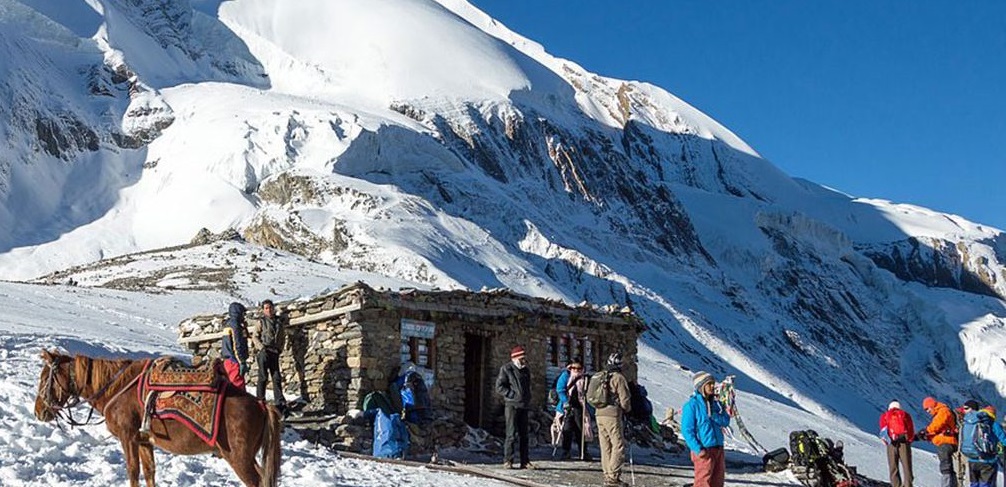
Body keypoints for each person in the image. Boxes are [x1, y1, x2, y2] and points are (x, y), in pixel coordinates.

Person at [681, 371, 731, 487]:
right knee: (703, 482)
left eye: (713, 383)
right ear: (701, 386)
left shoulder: (716, 404)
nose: (713, 386)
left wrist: (714, 415)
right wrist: (698, 449)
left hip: (718, 448)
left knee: (717, 482)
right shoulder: (691, 405)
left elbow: (725, 421)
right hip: (704, 450)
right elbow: (687, 430)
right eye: (709, 384)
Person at [595, 352, 632, 487]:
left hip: (599, 413)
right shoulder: (618, 378)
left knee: (605, 445)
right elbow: (625, 399)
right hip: (612, 414)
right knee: (618, 444)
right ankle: (613, 476)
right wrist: (627, 410)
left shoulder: (602, 376)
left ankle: (607, 473)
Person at [495, 345, 533, 469]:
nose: (524, 361)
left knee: (524, 434)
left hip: (524, 405)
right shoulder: (506, 369)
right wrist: (511, 394)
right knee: (511, 434)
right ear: (515, 358)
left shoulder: (525, 370)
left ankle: (525, 461)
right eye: (521, 358)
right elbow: (499, 386)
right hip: (512, 405)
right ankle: (508, 460)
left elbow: (527, 387)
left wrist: (527, 398)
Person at [958, 401, 1006, 487]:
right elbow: (1004, 440)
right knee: (986, 484)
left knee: (974, 484)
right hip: (988, 460)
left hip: (972, 458)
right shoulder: (993, 424)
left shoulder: (971, 422)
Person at [917, 396, 959, 487]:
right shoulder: (939, 412)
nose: (927, 411)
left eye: (927, 408)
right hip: (945, 441)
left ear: (931, 405)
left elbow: (937, 424)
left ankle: (947, 485)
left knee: (946, 466)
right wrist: (926, 436)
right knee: (948, 466)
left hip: (948, 442)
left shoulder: (943, 411)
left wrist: (926, 431)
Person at [252, 299, 286, 409]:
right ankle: (260, 401)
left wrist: (280, 349)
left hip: (274, 352)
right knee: (263, 377)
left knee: (276, 377)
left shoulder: (278, 322)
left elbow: (282, 337)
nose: (269, 310)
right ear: (263, 310)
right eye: (266, 308)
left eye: (270, 307)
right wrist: (261, 348)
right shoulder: (261, 322)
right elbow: (255, 336)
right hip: (264, 352)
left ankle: (279, 402)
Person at [557, 357, 593, 460]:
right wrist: (565, 401)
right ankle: (566, 451)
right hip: (567, 406)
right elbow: (560, 389)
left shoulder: (585, 379)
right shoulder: (566, 376)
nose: (576, 370)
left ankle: (583, 451)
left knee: (581, 429)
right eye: (574, 368)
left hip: (580, 407)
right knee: (567, 428)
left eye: (579, 368)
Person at [879, 400, 915, 487]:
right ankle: (908, 484)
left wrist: (887, 440)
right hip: (904, 442)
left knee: (893, 467)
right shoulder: (905, 415)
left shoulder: (885, 416)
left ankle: (896, 485)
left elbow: (883, 430)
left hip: (891, 442)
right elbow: (910, 429)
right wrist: (909, 439)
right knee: (907, 467)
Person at [220, 302, 249, 388]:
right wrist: (241, 361)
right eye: (243, 313)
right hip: (234, 360)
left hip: (227, 360)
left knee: (230, 385)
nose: (244, 316)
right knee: (237, 386)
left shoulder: (228, 324)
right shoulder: (235, 325)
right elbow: (237, 344)